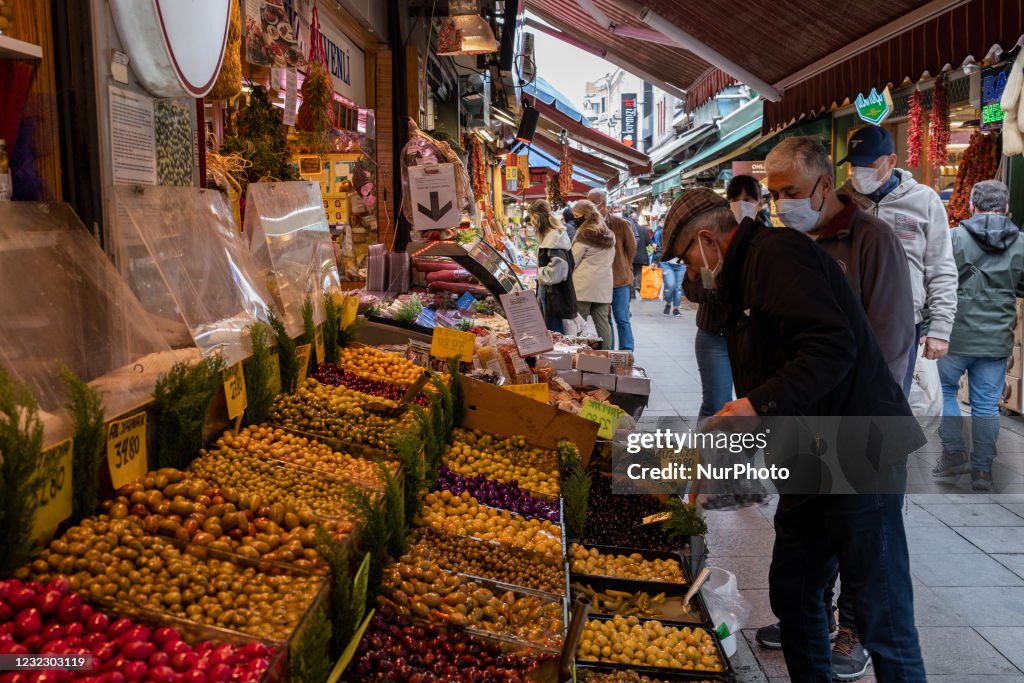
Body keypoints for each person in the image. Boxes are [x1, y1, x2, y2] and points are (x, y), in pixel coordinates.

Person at [661, 188, 927, 683]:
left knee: (881, 613)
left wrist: (755, 405)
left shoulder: (776, 256)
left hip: (857, 445)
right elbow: (769, 364)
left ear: (707, 240)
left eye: (686, 260)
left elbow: (832, 346)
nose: (689, 274)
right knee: (796, 589)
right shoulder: (739, 276)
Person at [754, 136, 917, 681]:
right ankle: (817, 626)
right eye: (773, 194)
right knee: (799, 577)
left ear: (825, 185)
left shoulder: (871, 240)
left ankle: (856, 631)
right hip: (806, 440)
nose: (781, 204)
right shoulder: (785, 246)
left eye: (792, 191)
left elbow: (890, 347)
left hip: (859, 438)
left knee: (880, 599)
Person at [838, 125, 958, 395]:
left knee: (890, 403)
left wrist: (940, 328)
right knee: (844, 402)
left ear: (891, 161)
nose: (859, 172)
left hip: (902, 323)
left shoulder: (924, 200)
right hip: (846, 321)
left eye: (868, 163)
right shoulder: (840, 201)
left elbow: (941, 268)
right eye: (854, 165)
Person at [935, 180, 1024, 491]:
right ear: (1007, 208)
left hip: (952, 335)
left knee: (944, 391)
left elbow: (936, 281)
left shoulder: (953, 238)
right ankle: (983, 471)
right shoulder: (1022, 243)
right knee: (986, 404)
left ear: (972, 207)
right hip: (996, 337)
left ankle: (953, 452)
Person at [588, 188, 636, 351]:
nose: (590, 206)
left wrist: (623, 266)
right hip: (600, 281)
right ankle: (610, 350)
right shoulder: (590, 225)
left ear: (603, 203)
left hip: (620, 281)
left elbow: (631, 249)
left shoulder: (620, 224)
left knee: (622, 318)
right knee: (605, 319)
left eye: (593, 202)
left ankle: (627, 350)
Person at [570, 200, 615, 350]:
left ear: (585, 215)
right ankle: (607, 354)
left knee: (579, 323)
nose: (574, 219)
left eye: (577, 215)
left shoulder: (585, 234)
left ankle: (579, 353)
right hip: (603, 285)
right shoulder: (607, 233)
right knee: (602, 323)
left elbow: (572, 261)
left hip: (584, 286)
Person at [529, 200, 577, 334]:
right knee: (551, 328)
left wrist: (540, 274)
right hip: (551, 291)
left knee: (553, 330)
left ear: (537, 217)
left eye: (532, 218)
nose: (532, 223)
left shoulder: (554, 238)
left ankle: (556, 355)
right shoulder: (555, 234)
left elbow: (558, 269)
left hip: (553, 293)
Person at [629, 210, 652, 299]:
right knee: (639, 272)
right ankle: (637, 285)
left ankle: (632, 291)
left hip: (631, 255)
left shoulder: (629, 228)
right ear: (637, 219)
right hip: (642, 256)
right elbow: (647, 242)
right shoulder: (643, 228)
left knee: (631, 272)